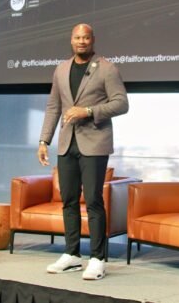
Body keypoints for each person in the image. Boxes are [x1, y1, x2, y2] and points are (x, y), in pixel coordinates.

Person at [38, 23, 128, 280]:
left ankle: (98, 259)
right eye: (77, 37)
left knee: (93, 200)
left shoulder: (107, 68)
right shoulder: (61, 69)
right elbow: (53, 106)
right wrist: (44, 140)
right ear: (71, 40)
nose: (81, 41)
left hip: (95, 143)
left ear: (92, 40)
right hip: (67, 143)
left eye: (86, 38)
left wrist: (88, 111)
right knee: (68, 200)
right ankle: (72, 254)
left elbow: (122, 103)